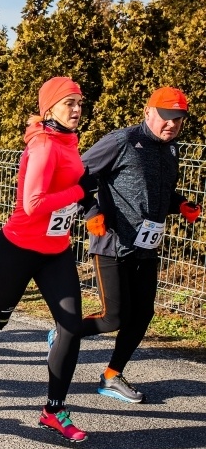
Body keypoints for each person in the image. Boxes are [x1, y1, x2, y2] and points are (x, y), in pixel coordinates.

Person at [0, 77, 93, 443]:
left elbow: (72, 192)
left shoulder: (69, 142)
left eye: (78, 103)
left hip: (56, 251)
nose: (76, 109)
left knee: (71, 328)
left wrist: (86, 200)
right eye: (68, 103)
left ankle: (54, 410)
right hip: (19, 248)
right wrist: (79, 191)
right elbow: (33, 203)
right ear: (49, 110)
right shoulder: (44, 146)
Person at [68, 86, 200, 404]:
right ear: (148, 112)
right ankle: (66, 331)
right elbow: (77, 175)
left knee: (142, 314)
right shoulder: (122, 141)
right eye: (166, 117)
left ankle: (112, 376)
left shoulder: (172, 151)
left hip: (147, 246)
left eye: (178, 120)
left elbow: (157, 194)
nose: (171, 125)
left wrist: (180, 203)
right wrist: (93, 212)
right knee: (114, 317)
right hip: (112, 242)